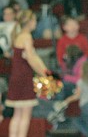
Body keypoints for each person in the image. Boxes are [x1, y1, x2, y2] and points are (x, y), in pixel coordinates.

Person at [5, 9, 50, 137]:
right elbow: (31, 59)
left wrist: (45, 70)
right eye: (35, 20)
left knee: (17, 114)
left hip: (15, 77)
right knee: (25, 114)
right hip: (24, 78)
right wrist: (44, 74)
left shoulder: (18, 36)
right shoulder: (27, 37)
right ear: (29, 22)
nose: (36, 23)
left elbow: (34, 57)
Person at [59, 60, 88, 137]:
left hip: (85, 106)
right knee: (82, 121)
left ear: (84, 71)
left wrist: (67, 101)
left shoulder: (81, 82)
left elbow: (77, 96)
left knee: (86, 124)